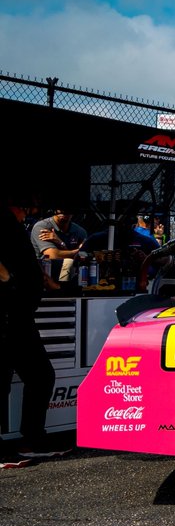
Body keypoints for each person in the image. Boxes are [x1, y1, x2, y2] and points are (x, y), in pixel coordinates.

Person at [1, 197, 65, 465]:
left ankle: (32, 440)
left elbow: (24, 258)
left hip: (19, 314)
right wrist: (9, 280)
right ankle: (29, 440)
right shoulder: (3, 220)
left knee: (40, 376)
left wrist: (44, 280)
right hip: (7, 311)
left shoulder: (15, 225)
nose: (36, 210)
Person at [30, 206, 89, 285]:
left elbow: (83, 257)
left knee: (71, 264)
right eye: (60, 209)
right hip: (45, 274)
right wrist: (78, 252)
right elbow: (52, 255)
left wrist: (60, 243)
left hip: (69, 276)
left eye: (68, 209)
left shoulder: (80, 231)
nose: (63, 212)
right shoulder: (42, 227)